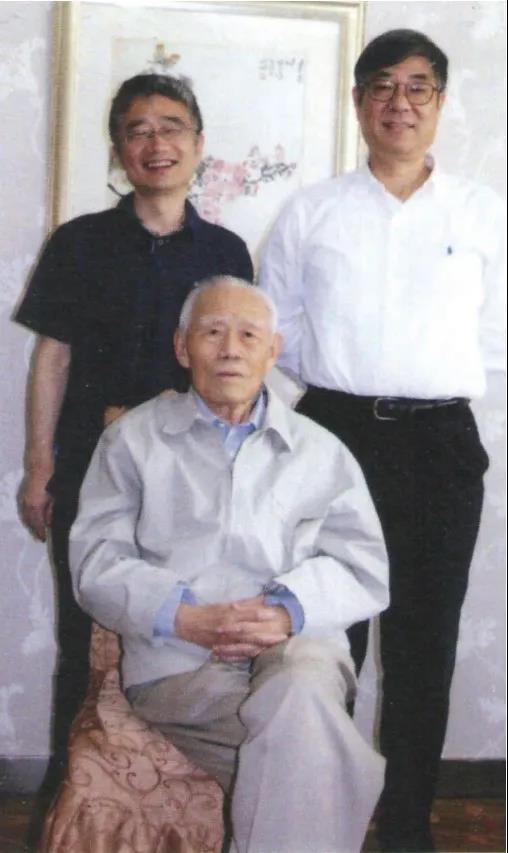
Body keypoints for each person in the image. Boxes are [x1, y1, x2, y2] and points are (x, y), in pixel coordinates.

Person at [258, 28, 505, 853]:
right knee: (327, 636)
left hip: (441, 443)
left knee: (425, 641)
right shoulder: (313, 211)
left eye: (417, 87)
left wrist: (423, 376)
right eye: (382, 87)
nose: (400, 103)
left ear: (440, 102)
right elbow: (278, 329)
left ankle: (405, 825)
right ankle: (321, 820)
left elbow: (495, 334)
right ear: (358, 100)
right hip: (335, 435)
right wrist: (349, 388)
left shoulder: (483, 213)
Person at [69, 276, 389, 853]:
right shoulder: (132, 441)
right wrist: (182, 616)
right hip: (179, 661)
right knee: (313, 752)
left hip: (297, 648)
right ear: (182, 346)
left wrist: (287, 611)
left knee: (300, 694)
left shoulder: (321, 450)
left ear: (274, 350)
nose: (230, 350)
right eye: (212, 332)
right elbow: (95, 562)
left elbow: (362, 566)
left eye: (248, 335)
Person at [14, 74, 253, 817]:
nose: (157, 143)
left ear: (199, 143)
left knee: (181, 630)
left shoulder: (226, 251)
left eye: (171, 126)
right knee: (83, 634)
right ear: (119, 148)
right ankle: (70, 804)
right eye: (138, 129)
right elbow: (52, 358)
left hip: (192, 476)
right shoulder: (79, 243)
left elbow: (236, 369)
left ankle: (182, 811)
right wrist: (39, 468)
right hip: (92, 470)